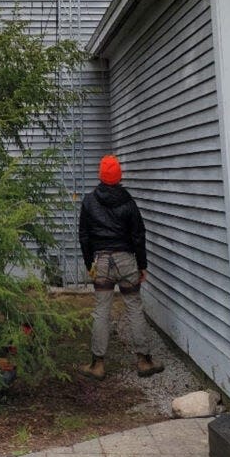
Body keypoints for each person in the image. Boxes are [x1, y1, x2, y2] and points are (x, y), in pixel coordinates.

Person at [78, 154, 164, 380]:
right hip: (126, 260)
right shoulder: (128, 202)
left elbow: (84, 236)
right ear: (119, 176)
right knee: (134, 307)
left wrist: (90, 264)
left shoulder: (89, 201)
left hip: (102, 262)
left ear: (100, 175)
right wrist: (142, 264)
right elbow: (138, 234)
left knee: (101, 312)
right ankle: (144, 361)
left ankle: (97, 365)